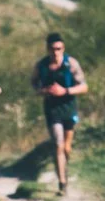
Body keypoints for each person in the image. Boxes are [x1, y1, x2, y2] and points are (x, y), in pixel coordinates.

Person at [31, 32, 87, 191]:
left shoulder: (71, 64)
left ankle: (64, 169)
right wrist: (41, 90)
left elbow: (84, 87)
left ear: (63, 48)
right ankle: (62, 183)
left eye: (59, 48)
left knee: (66, 147)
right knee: (58, 143)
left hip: (69, 107)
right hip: (51, 108)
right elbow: (33, 82)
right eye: (53, 49)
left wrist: (65, 91)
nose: (56, 52)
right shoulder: (41, 66)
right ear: (47, 49)